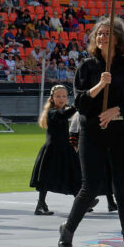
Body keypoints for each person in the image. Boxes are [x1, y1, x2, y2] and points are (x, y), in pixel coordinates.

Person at [57, 17, 124, 247]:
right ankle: (68, 231)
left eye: (107, 33)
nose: (102, 37)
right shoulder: (86, 67)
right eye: (98, 34)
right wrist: (99, 85)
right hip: (92, 132)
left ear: (118, 38)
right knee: (90, 186)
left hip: (122, 132)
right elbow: (80, 103)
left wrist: (116, 110)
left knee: (122, 188)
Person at [30, 85, 80, 215]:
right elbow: (64, 114)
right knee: (46, 178)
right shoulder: (52, 112)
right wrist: (78, 103)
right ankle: (40, 205)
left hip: (64, 148)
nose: (61, 98)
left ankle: (83, 202)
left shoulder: (62, 110)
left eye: (64, 96)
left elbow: (67, 113)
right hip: (53, 149)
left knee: (73, 175)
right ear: (52, 98)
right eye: (58, 96)